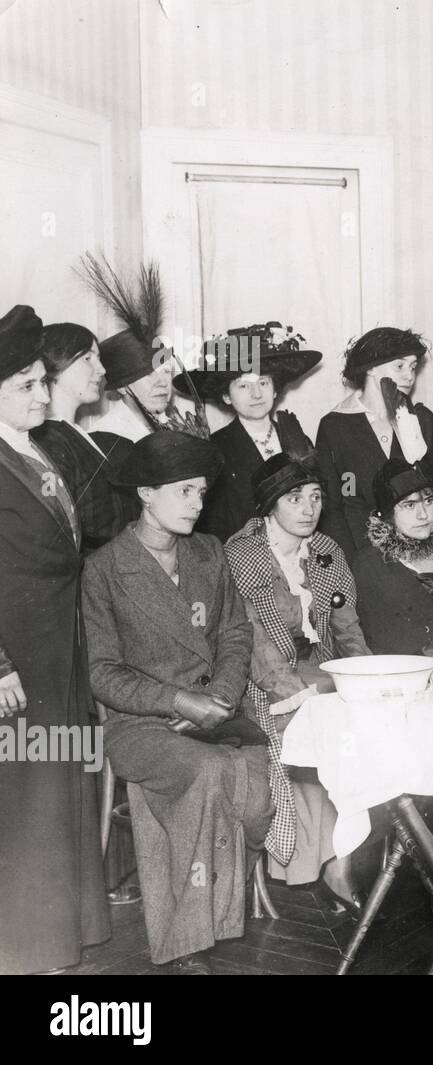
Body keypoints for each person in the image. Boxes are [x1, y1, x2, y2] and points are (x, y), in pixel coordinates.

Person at [81, 430, 274, 973]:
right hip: (140, 723)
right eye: (184, 491)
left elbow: (236, 636)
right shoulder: (104, 570)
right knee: (209, 772)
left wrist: (219, 695)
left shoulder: (209, 553)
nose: (197, 504)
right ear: (146, 492)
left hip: (215, 710)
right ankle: (189, 943)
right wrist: (177, 701)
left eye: (202, 492)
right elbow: (102, 673)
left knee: (257, 787)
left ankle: (219, 904)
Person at [0, 305, 110, 975]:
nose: (43, 395)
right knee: (26, 791)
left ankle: (63, 931)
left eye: (44, 381)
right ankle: (25, 947)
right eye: (26, 385)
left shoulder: (30, 448)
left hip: (56, 650)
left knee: (58, 779)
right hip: (18, 660)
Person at [224, 447, 373, 914]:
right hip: (262, 682)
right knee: (310, 734)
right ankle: (330, 866)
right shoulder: (240, 555)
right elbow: (249, 642)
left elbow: (347, 629)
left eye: (315, 497)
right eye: (294, 498)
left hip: (324, 674)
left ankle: (345, 855)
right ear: (269, 506)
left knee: (367, 728)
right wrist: (299, 695)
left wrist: (369, 680)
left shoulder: (327, 552)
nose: (309, 509)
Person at [175, 322, 321, 542]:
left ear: (275, 390)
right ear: (226, 396)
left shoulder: (297, 438)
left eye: (263, 382)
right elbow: (212, 522)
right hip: (241, 556)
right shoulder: (216, 447)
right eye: (243, 386)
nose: (256, 394)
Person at [316, 326, 433, 559]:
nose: (409, 376)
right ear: (371, 368)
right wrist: (352, 561)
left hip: (418, 551)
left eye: (413, 367)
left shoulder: (420, 419)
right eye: (399, 366)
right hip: (361, 550)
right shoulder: (335, 425)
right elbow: (333, 504)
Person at [353, 458, 433, 656]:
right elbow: (375, 641)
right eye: (409, 505)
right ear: (388, 514)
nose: (423, 515)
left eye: (428, 501)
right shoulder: (369, 566)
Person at [31, 321, 135, 551]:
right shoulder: (48, 441)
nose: (102, 369)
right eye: (88, 358)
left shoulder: (77, 434)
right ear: (56, 363)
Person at [78, 256, 197, 450]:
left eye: (166, 371)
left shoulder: (181, 429)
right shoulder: (104, 440)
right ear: (122, 387)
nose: (161, 382)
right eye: (148, 375)